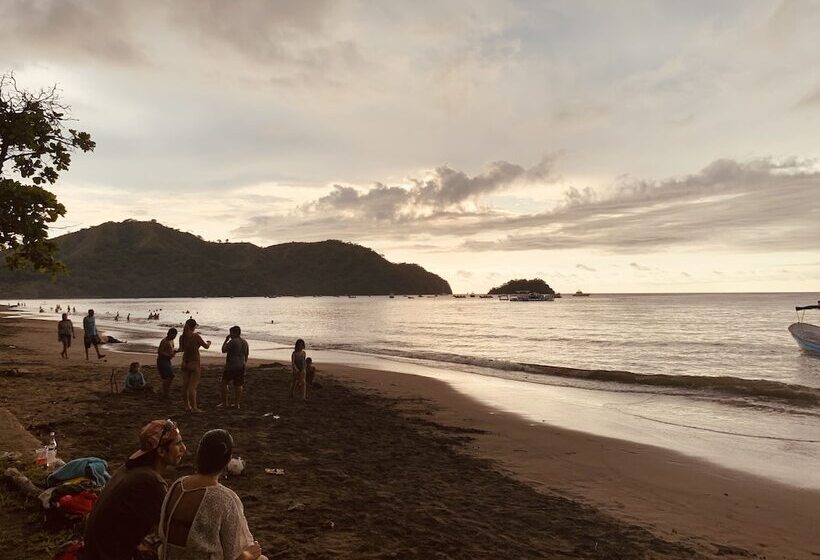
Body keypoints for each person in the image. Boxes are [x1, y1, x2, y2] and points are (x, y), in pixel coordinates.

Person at [84, 419, 187, 560]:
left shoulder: (131, 469)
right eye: (178, 444)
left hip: (95, 550)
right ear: (161, 451)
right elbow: (171, 528)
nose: (184, 448)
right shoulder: (151, 482)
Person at [159, 429, 268, 560]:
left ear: (199, 455)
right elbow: (234, 554)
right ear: (227, 460)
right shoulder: (225, 498)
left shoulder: (178, 485)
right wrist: (249, 555)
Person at [179, 319, 211, 412]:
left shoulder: (182, 337)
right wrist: (209, 342)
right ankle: (194, 408)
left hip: (185, 362)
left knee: (185, 386)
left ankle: (186, 406)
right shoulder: (196, 336)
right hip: (194, 363)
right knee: (192, 387)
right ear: (194, 327)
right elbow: (206, 346)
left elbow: (181, 349)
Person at [220, 326, 249, 409]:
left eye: (231, 333)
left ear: (235, 333)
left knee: (224, 383)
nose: (230, 334)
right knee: (238, 385)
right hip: (241, 365)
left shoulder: (233, 341)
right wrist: (244, 363)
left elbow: (223, 350)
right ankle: (237, 404)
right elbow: (246, 354)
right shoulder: (245, 342)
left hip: (231, 365)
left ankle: (225, 403)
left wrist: (226, 340)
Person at [158, 328, 179, 399]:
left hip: (167, 360)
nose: (174, 337)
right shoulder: (164, 341)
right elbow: (160, 351)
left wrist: (174, 352)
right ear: (169, 334)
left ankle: (165, 392)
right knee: (170, 376)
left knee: (168, 377)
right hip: (162, 360)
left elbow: (170, 350)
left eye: (175, 335)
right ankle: (165, 392)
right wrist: (168, 355)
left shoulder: (171, 341)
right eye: (174, 335)